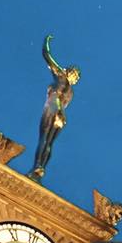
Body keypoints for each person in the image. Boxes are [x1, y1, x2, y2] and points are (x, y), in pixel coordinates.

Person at [29, 35, 80, 180]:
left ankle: (37, 166)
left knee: (44, 138)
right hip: (62, 115)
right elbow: (64, 105)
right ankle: (40, 168)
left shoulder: (61, 77)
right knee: (49, 142)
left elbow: (46, 55)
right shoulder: (71, 92)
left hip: (53, 105)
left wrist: (46, 41)